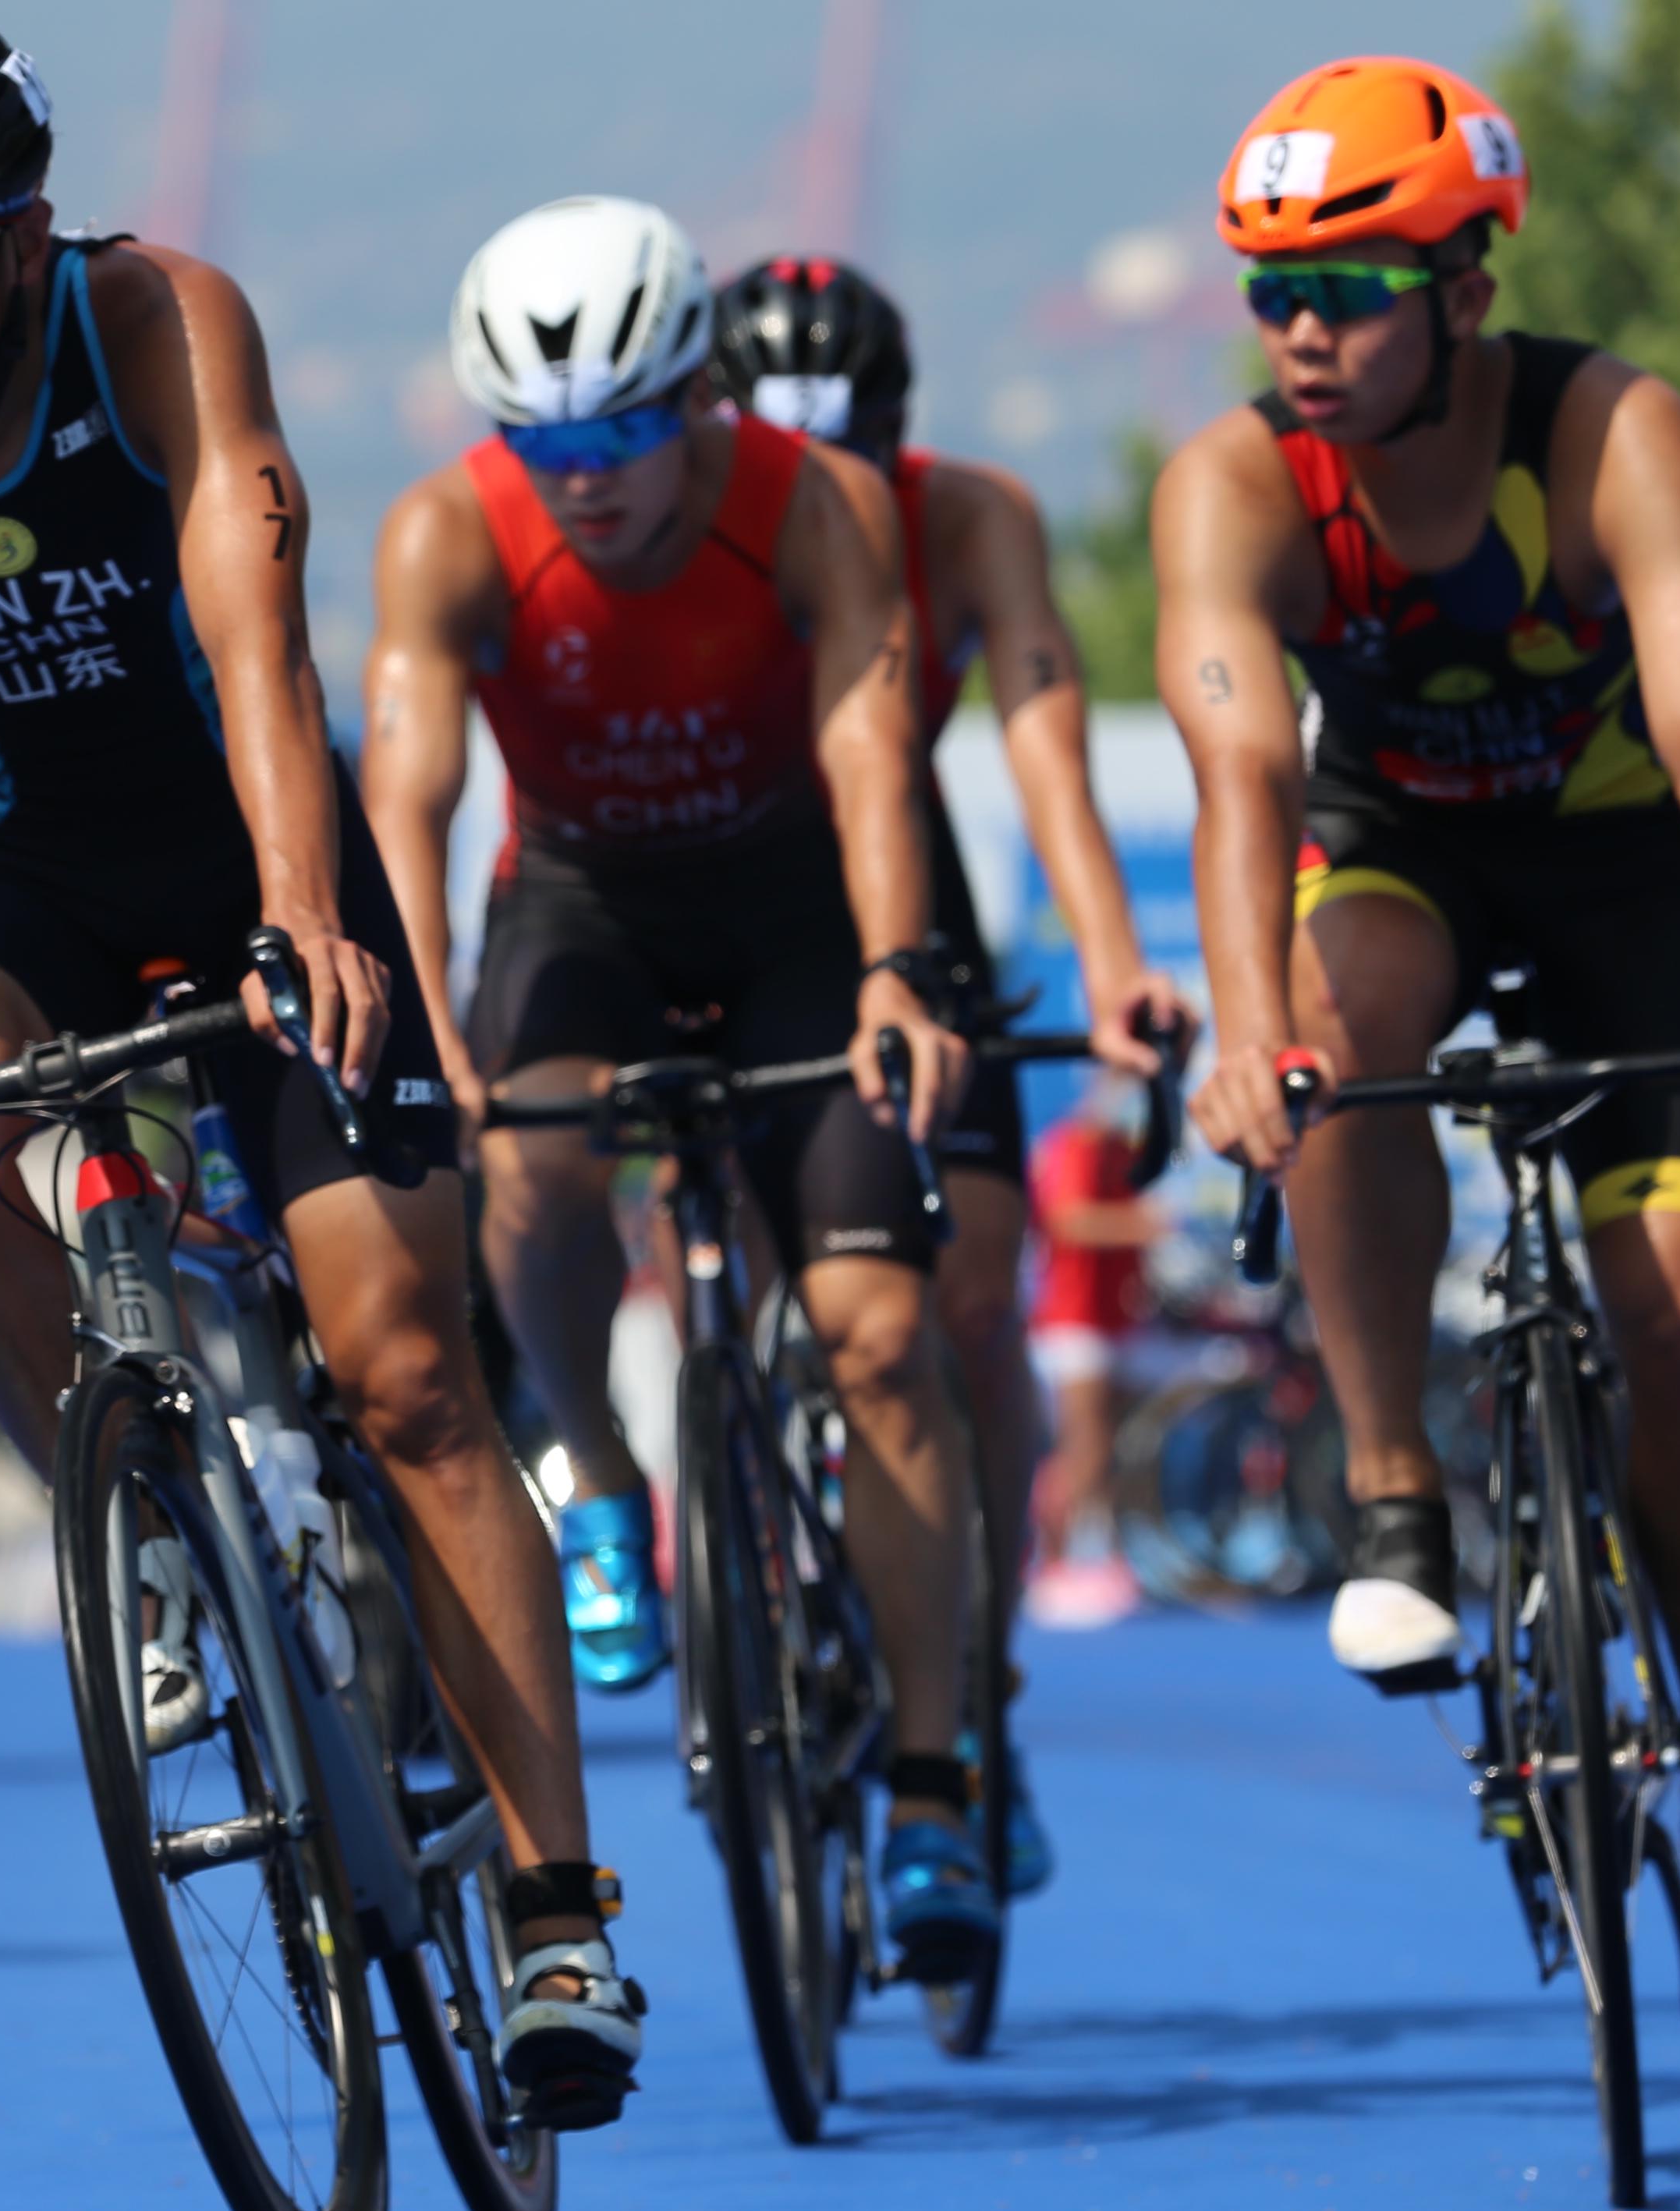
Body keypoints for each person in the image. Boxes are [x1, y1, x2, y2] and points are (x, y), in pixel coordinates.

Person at [0, 5, 637, 2122]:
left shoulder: (160, 326)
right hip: (13, 868)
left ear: (20, 243)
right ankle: (146, 1539)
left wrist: (299, 912)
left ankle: (557, 1911)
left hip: (249, 839)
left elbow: (258, 640)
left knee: (405, 1371)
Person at [1159, 55, 1680, 2000]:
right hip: (1404, 856)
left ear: (1464, 288)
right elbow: (1238, 779)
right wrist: (1242, 1036)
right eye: (1272, 294)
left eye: (1347, 292)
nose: (1302, 333)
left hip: (1630, 869)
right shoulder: (1236, 485)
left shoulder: (1614, 432)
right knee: (1329, 1029)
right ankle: (1395, 1494)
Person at [360, 196, 1008, 1986]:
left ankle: (934, 1786)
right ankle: (597, 1473)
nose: (584, 480)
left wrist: (895, 970)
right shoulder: (445, 532)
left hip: (796, 907)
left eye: (624, 435)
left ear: (700, 401)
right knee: (535, 1168)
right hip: (582, 905)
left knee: (884, 1338)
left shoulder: (815, 504)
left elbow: (871, 755)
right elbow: (408, 799)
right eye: (543, 442)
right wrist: (431, 1036)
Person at [708, 255, 1196, 1876]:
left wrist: (1114, 962)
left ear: (900, 433)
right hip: (717, 906)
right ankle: (748, 1538)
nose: (826, 491)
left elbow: (1048, 750)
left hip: (905, 910)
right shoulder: (676, 520)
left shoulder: (974, 517)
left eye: (854, 451)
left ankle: (973, 1676)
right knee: (740, 1281)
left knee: (972, 1305)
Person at [1019, 1086, 1168, 1628]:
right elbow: (1067, 1218)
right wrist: (1143, 1225)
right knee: (1083, 1446)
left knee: (1107, 1445)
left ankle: (1095, 1554)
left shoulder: (1125, 1152)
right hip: (1070, 1321)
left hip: (1116, 1322)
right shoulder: (1070, 1147)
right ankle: (1050, 1564)